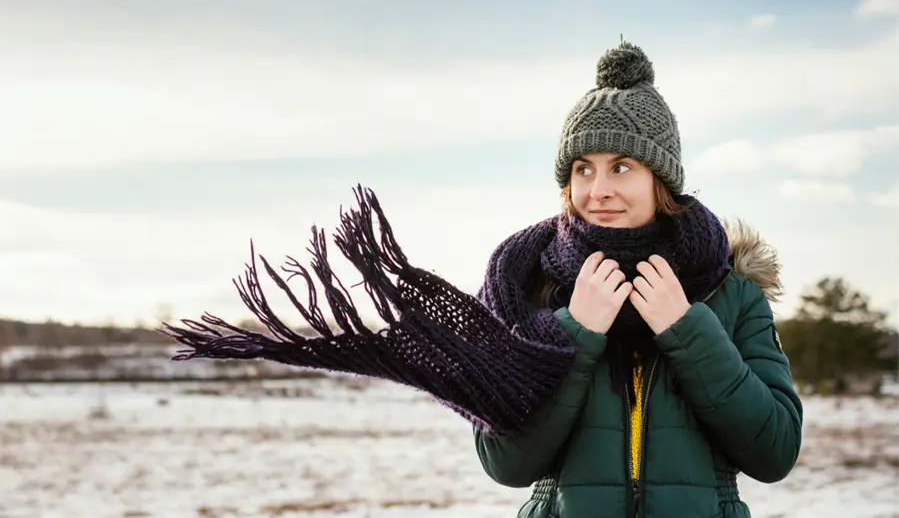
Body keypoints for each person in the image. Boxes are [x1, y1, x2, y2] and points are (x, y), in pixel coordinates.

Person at [161, 42, 803, 518]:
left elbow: (774, 451)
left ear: (662, 180)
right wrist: (577, 332)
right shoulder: (532, 291)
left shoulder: (729, 291)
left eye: (622, 167)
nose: (597, 190)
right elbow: (506, 463)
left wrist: (686, 329)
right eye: (581, 169)